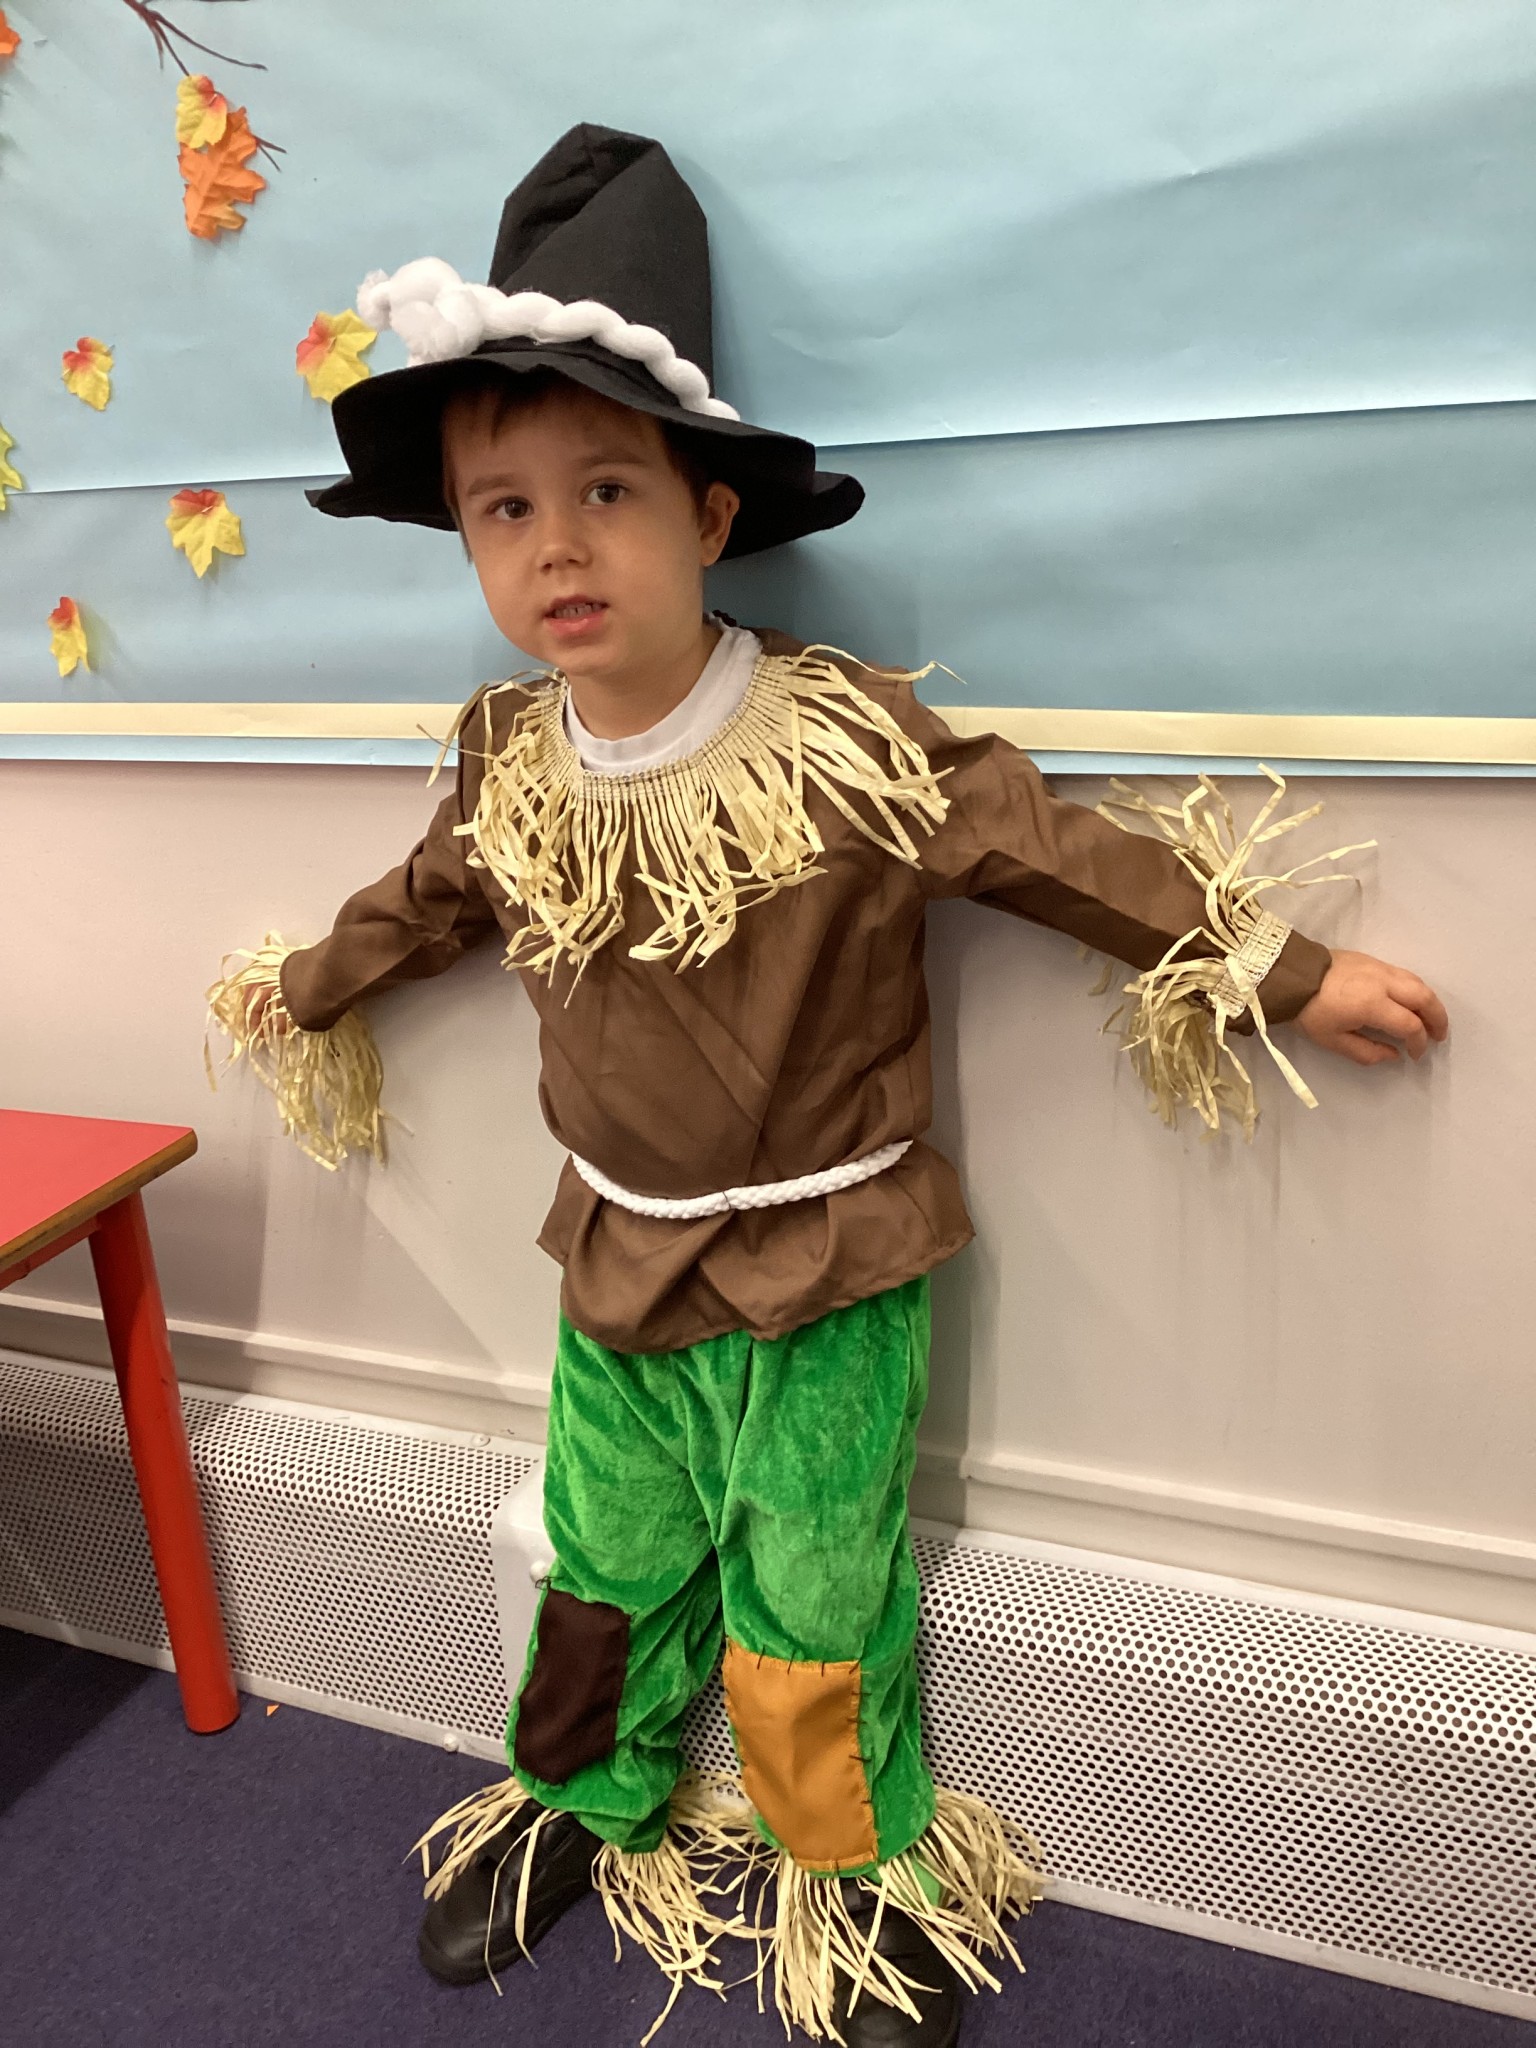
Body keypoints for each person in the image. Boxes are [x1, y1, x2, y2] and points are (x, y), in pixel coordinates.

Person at [209, 124, 1449, 2047]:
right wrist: (303, 986)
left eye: (606, 491)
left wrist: (1284, 970)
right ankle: (581, 1796)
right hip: (616, 1254)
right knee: (605, 1553)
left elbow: (1054, 852)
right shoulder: (506, 758)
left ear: (710, 518)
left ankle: (847, 1881)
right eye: (502, 509)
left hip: (830, 1263)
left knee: (812, 1578)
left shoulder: (839, 736)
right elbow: (433, 899)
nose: (555, 546)